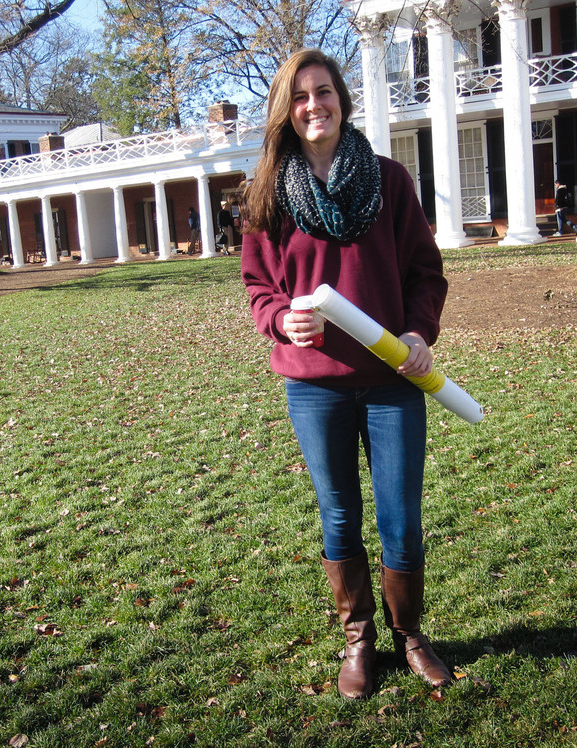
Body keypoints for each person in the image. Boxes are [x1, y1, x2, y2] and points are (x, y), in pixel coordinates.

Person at [241, 49, 452, 699]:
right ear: (286, 109)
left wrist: (416, 332)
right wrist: (282, 320)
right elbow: (258, 288)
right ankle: (358, 638)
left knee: (401, 519)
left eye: (324, 91)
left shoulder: (388, 180)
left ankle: (409, 635)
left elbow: (425, 272)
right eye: (301, 95)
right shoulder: (266, 195)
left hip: (391, 381)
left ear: (341, 99)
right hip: (313, 387)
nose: (315, 105)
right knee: (338, 516)